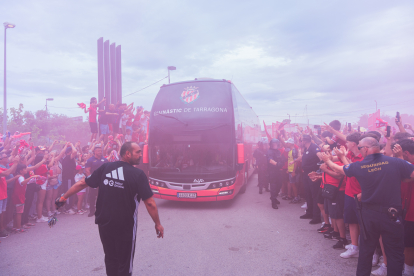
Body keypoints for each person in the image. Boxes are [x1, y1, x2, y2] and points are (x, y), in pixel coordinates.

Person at [55, 141, 164, 276]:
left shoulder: (106, 167)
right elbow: (150, 203)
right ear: (127, 154)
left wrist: (63, 198)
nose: (141, 154)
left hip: (104, 222)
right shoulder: (138, 174)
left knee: (111, 258)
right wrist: (157, 224)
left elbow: (83, 183)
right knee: (124, 262)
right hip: (125, 225)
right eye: (138, 152)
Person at [320, 137, 414, 276]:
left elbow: (339, 169)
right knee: (394, 253)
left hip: (369, 215)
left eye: (359, 147)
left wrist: (327, 160)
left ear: (365, 149)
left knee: (366, 252)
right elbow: (411, 176)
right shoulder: (395, 162)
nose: (359, 150)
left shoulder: (360, 166)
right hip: (392, 215)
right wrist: (398, 179)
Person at [394, 139, 414, 276]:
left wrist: (400, 159)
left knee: (409, 244)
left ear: (405, 153)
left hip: (411, 212)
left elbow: (409, 176)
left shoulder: (408, 165)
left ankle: (408, 271)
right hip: (406, 208)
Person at [299, 134, 322, 224]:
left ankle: (316, 217)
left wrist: (319, 170)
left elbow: (320, 156)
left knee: (314, 195)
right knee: (308, 194)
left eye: (302, 140)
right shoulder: (306, 149)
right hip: (306, 173)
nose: (301, 142)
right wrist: (295, 160)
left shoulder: (314, 147)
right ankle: (309, 213)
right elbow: (303, 157)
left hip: (313, 174)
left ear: (304, 141)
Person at [85, 144, 108, 217]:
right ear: (94, 151)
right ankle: (92, 211)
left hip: (103, 181)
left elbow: (108, 169)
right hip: (94, 181)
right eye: (98, 151)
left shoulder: (104, 159)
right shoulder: (90, 160)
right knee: (92, 196)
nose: (100, 152)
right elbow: (87, 170)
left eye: (100, 151)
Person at [267, 138, 287, 209]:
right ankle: (273, 202)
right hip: (272, 171)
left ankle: (274, 197)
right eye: (273, 144)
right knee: (273, 187)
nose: (275, 145)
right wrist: (277, 164)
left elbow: (281, 158)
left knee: (279, 185)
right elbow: (271, 160)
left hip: (278, 171)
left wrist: (283, 161)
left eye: (276, 144)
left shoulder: (278, 151)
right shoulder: (269, 151)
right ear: (271, 145)